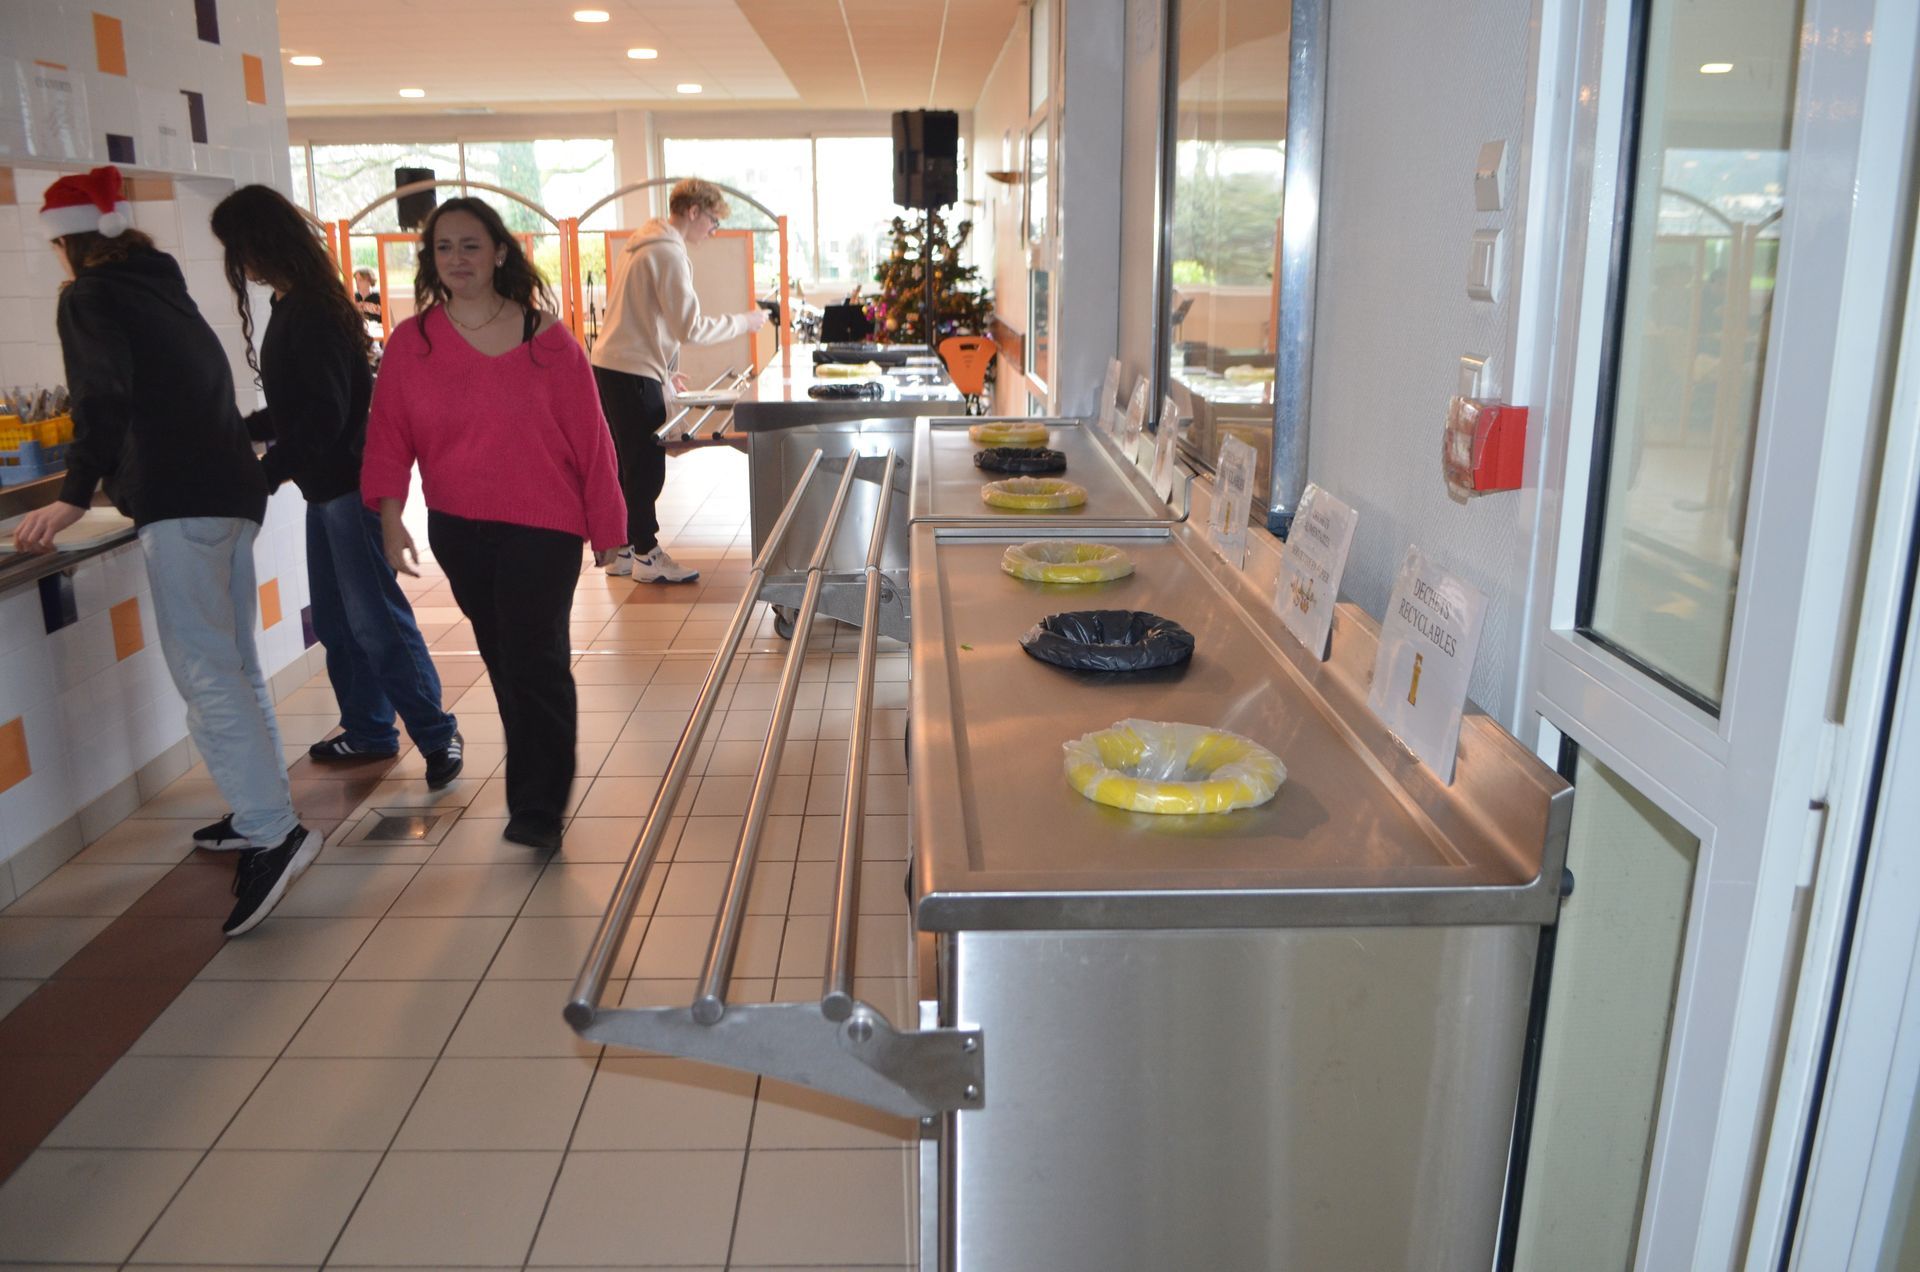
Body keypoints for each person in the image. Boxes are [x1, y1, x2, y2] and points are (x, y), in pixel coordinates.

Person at [11, 167, 318, 937]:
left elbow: (101, 397)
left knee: (206, 673)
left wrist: (76, 492)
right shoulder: (159, 283)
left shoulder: (88, 297)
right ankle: (263, 812)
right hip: (230, 491)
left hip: (181, 500)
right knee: (235, 666)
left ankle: (274, 829)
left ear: (67, 243)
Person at [361, 197, 626, 851]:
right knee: (504, 658)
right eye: (444, 248)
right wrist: (392, 519)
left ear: (500, 252)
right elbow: (389, 438)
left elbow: (592, 440)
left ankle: (537, 806)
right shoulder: (412, 343)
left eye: (471, 246)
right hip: (459, 527)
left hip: (544, 526)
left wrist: (609, 527)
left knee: (535, 658)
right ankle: (532, 783)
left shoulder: (547, 341)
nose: (458, 259)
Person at [209, 184, 463, 788]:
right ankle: (371, 728)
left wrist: (264, 474)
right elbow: (302, 410)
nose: (239, 263)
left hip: (350, 490)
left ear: (265, 242)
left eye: (240, 248)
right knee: (336, 619)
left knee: (375, 619)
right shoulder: (295, 303)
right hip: (326, 492)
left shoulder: (315, 310)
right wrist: (241, 431)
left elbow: (325, 415)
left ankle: (435, 732)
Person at [590, 177, 768, 583]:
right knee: (645, 465)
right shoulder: (668, 253)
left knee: (625, 461)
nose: (713, 230)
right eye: (713, 220)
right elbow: (689, 327)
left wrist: (666, 371)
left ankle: (622, 550)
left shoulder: (643, 244)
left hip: (613, 364)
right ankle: (646, 555)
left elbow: (645, 316)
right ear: (693, 211)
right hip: (630, 367)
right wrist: (746, 321)